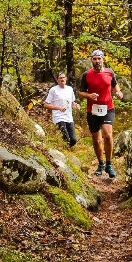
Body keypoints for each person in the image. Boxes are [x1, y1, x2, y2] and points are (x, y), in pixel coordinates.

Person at [78, 49, 123, 178]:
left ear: (103, 59)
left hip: (108, 108)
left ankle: (109, 164)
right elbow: (81, 92)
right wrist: (89, 95)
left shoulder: (110, 72)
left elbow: (115, 86)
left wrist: (118, 93)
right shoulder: (86, 75)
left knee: (108, 135)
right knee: (96, 140)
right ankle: (100, 164)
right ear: (91, 60)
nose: (97, 61)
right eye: (94, 59)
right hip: (92, 110)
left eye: (99, 58)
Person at [44, 72, 80, 148]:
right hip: (58, 117)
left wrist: (76, 105)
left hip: (69, 117)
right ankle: (65, 153)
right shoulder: (53, 90)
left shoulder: (70, 89)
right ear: (57, 80)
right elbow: (46, 105)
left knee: (73, 140)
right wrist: (59, 108)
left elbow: (72, 103)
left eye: (63, 77)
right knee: (65, 138)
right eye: (60, 78)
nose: (62, 79)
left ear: (66, 79)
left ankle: (66, 150)